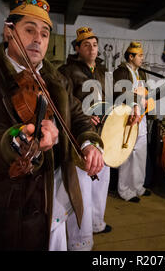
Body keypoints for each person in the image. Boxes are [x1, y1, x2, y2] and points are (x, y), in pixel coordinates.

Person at [0, 0, 104, 251]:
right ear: (9, 32)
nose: (38, 39)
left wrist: (89, 142)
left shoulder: (55, 78)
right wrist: (15, 140)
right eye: (29, 30)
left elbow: (76, 115)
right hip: (7, 213)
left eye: (44, 34)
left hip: (52, 201)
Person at [58, 27, 112, 251]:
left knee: (102, 179)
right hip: (80, 135)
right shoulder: (66, 71)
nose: (92, 49)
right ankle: (81, 240)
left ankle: (97, 222)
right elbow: (64, 103)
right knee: (82, 187)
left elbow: (107, 97)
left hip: (102, 134)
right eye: (86, 45)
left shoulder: (100, 70)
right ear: (77, 48)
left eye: (94, 44)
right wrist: (84, 115)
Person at [112, 42, 152, 203]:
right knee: (127, 154)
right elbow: (120, 93)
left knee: (141, 153)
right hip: (127, 117)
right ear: (131, 56)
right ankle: (125, 190)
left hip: (141, 118)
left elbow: (146, 93)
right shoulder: (121, 72)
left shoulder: (141, 73)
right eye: (140, 55)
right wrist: (135, 102)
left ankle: (138, 186)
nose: (142, 58)